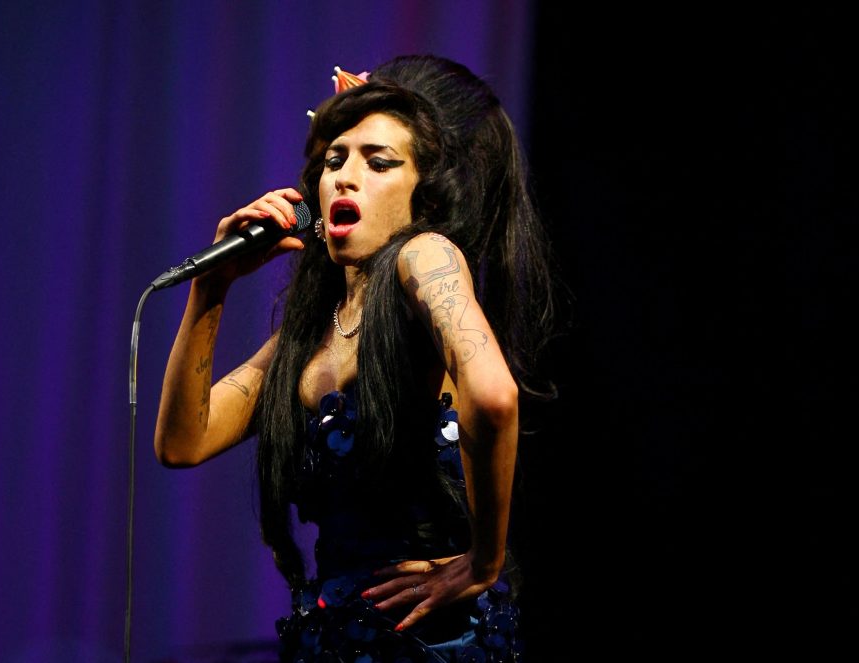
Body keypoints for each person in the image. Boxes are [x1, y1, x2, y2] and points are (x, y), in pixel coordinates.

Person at [154, 54, 557, 662]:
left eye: (379, 162)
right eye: (335, 160)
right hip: (336, 637)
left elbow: (495, 395)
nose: (345, 177)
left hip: (427, 637)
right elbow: (182, 442)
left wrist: (484, 560)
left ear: (425, 195)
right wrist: (210, 290)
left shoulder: (424, 254)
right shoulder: (312, 333)